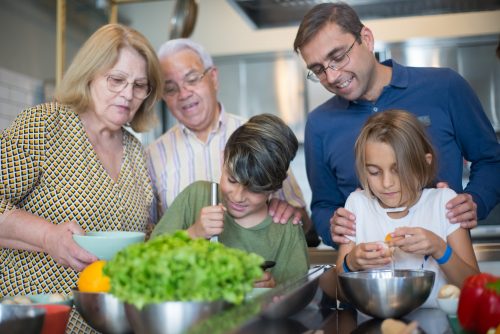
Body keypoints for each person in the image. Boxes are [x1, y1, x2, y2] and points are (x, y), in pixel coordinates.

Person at [293, 2, 500, 248]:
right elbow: (324, 205)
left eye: (338, 57)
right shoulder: (319, 124)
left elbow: (491, 160)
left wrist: (476, 200)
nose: (332, 76)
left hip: (448, 266)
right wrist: (333, 226)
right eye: (318, 70)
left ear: (366, 39)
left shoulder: (445, 87)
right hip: (370, 276)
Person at [0, 24, 162, 332]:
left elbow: (143, 234)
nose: (128, 94)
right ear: (90, 74)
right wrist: (49, 237)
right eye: (117, 80)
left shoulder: (137, 153)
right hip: (40, 322)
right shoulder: (46, 125)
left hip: (111, 324)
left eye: (140, 85)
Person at [147, 38, 320, 246]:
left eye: (192, 79)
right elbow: (152, 238)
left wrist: (294, 214)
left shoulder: (258, 139)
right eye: (171, 88)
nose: (183, 94)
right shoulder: (152, 155)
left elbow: (307, 229)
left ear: (213, 77)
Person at [335, 110, 479, 307]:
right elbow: (338, 292)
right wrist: (350, 263)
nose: (387, 183)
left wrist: (439, 248)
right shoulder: (357, 205)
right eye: (374, 172)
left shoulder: (444, 203)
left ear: (425, 164)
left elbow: (475, 288)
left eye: (399, 170)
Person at [151, 114, 310, 286]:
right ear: (223, 159)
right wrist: (194, 233)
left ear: (275, 187)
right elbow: (148, 260)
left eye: (254, 189)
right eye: (232, 180)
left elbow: (298, 293)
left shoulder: (286, 230)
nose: (237, 197)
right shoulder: (195, 197)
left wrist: (273, 288)